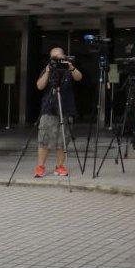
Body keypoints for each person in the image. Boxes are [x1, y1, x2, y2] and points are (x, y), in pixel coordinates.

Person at [34, 47, 82, 178]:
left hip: (65, 109)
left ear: (64, 56)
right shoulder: (47, 69)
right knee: (44, 140)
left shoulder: (69, 69)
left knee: (62, 141)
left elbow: (79, 77)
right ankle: (40, 166)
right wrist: (48, 71)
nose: (57, 60)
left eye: (59, 57)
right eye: (54, 58)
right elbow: (39, 86)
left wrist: (71, 67)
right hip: (48, 109)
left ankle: (59, 166)